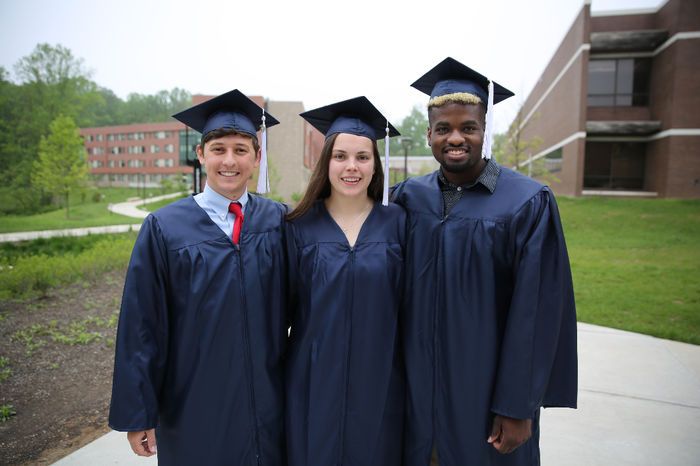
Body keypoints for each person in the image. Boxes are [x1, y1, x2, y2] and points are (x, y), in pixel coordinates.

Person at [391, 57, 578, 465]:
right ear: (428, 135)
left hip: (487, 393)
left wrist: (518, 405)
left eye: (468, 127)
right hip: (419, 391)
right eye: (444, 129)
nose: (455, 137)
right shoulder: (408, 197)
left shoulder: (527, 201)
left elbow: (537, 314)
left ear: (484, 131)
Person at [108, 89, 288, 465]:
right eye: (219, 149)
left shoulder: (278, 221)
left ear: (257, 157)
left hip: (270, 404)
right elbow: (141, 325)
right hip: (193, 404)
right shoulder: (164, 227)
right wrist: (138, 412)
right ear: (200, 154)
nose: (230, 160)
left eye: (241, 150)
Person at [285, 96, 406, 465]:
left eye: (362, 157)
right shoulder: (296, 227)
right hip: (313, 382)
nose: (351, 167)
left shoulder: (400, 223)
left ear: (375, 166)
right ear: (326, 163)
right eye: (340, 156)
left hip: (381, 380)